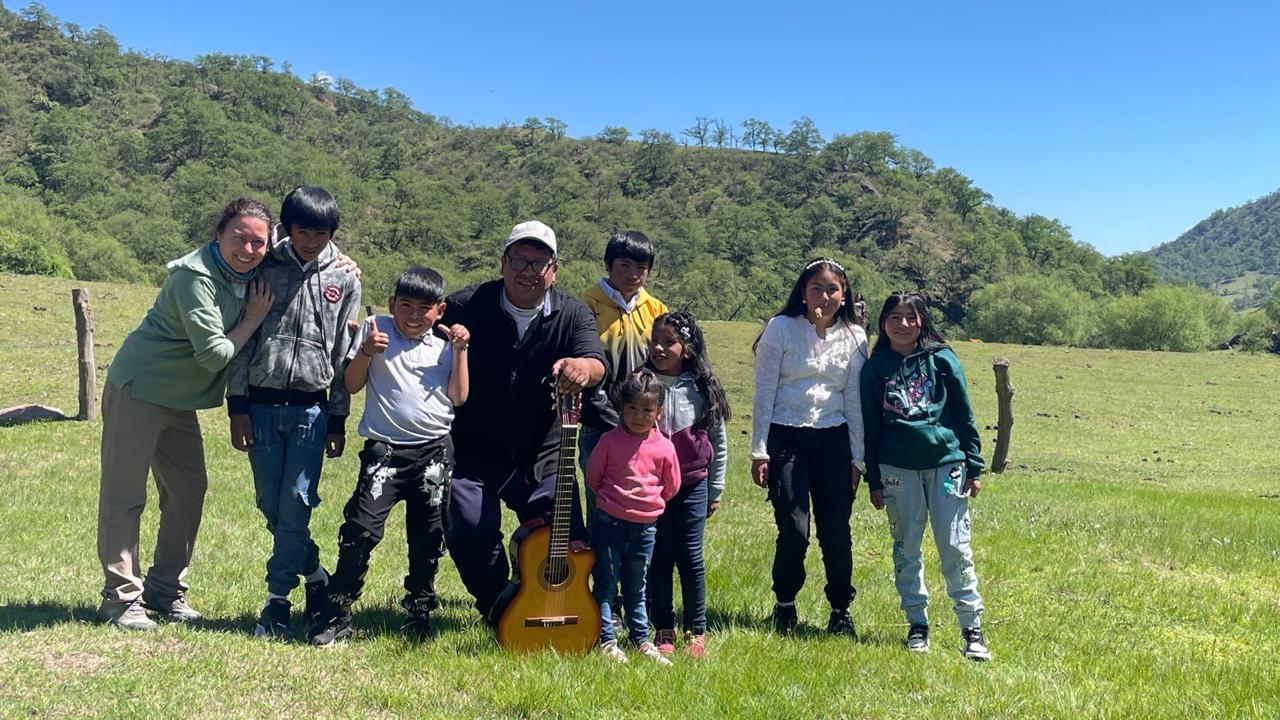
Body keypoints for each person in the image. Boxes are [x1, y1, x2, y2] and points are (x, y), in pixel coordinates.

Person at [96, 198, 275, 631]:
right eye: (239, 239)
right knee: (125, 494)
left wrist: (343, 262)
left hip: (180, 400)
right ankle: (120, 598)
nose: (249, 250)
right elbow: (214, 355)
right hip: (139, 388)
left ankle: (164, 588)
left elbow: (307, 248)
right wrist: (252, 319)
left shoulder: (249, 270)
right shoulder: (193, 277)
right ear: (218, 235)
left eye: (259, 243)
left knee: (187, 493)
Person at [440, 220, 606, 626]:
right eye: (519, 260)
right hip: (475, 449)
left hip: (543, 452)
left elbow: (596, 363)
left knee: (567, 540)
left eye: (538, 263)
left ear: (554, 269)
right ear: (503, 263)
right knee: (469, 528)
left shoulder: (573, 314)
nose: (527, 271)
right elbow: (415, 326)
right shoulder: (466, 305)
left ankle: (574, 610)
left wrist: (581, 369)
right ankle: (500, 606)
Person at [225, 186, 362, 641]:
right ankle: (317, 577)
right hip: (261, 406)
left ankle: (277, 601)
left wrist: (338, 418)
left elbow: (344, 352)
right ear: (287, 228)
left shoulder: (345, 278)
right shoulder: (262, 266)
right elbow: (243, 339)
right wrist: (237, 406)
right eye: (303, 232)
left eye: (322, 234)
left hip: (311, 411)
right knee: (271, 504)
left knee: (297, 503)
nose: (312, 242)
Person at [309, 267, 470, 646]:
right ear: (392, 303)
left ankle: (419, 610)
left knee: (428, 535)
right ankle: (339, 611)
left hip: (433, 454)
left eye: (424, 308)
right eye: (405, 305)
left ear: (440, 310)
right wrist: (367, 351)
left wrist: (461, 352)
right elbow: (352, 384)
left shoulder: (446, 344)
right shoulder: (375, 329)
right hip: (384, 453)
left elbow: (459, 397)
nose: (413, 316)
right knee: (359, 532)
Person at [860, 291, 991, 661]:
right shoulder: (874, 368)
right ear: (883, 322)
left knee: (955, 546)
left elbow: (964, 413)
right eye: (894, 317)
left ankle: (971, 628)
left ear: (923, 321)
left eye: (911, 317)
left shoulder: (943, 359)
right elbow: (871, 426)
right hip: (896, 469)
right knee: (906, 547)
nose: (903, 324)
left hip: (947, 466)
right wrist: (873, 478)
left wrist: (974, 464)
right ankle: (917, 623)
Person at [750, 257, 868, 637]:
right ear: (803, 292)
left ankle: (840, 610)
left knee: (836, 531)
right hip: (787, 434)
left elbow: (854, 400)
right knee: (794, 528)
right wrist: (759, 449)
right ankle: (785, 605)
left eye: (833, 289)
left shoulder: (855, 336)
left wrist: (858, 458)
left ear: (844, 294)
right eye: (817, 288)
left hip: (834, 437)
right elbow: (765, 391)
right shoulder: (780, 328)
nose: (824, 296)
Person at [579, 230, 669, 632]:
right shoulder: (586, 305)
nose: (633, 274)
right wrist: (609, 419)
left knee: (641, 510)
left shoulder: (656, 309)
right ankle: (603, 602)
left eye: (641, 267)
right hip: (599, 428)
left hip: (645, 433)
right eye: (624, 265)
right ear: (608, 265)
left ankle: (636, 600)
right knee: (602, 511)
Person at [643, 311, 729, 659]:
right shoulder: (641, 382)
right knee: (659, 556)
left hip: (694, 486)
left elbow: (719, 441)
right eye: (655, 341)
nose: (659, 348)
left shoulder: (701, 388)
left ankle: (697, 629)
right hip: (653, 488)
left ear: (688, 349)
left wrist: (715, 489)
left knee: (691, 556)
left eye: (669, 342)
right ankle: (664, 626)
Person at [587, 371, 681, 665]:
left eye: (647, 410)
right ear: (621, 407)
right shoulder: (608, 441)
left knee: (637, 586)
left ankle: (641, 640)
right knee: (605, 583)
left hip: (645, 528)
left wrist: (647, 505)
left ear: (659, 412)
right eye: (632, 408)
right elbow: (593, 478)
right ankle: (606, 640)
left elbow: (672, 485)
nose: (639, 416)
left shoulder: (664, 447)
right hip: (609, 524)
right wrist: (615, 502)